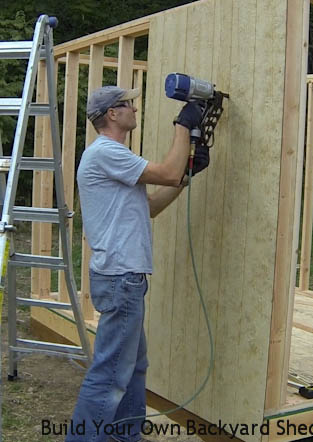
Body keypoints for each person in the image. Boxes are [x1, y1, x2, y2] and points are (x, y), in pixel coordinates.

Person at [66, 85, 208, 442]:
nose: (134, 109)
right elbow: (166, 171)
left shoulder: (115, 158)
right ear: (112, 114)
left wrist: (187, 177)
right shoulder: (106, 152)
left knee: (132, 368)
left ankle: (124, 436)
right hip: (120, 277)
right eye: (128, 105)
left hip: (123, 278)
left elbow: (150, 208)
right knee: (111, 372)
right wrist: (184, 124)